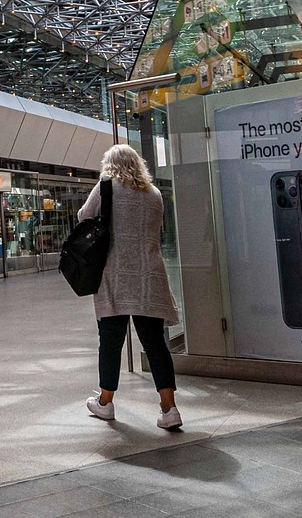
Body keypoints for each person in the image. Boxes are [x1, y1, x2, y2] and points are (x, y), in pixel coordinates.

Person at [79, 143, 182, 430]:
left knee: (110, 342)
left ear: (110, 164)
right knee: (155, 343)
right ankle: (169, 408)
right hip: (150, 275)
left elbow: (83, 217)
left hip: (115, 275)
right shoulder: (155, 193)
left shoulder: (106, 187)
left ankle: (105, 402)